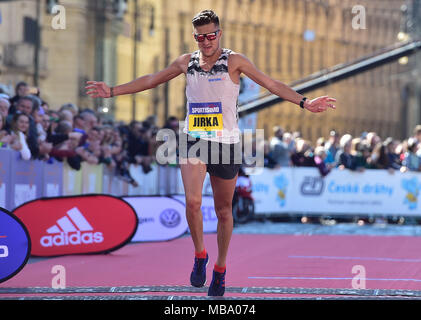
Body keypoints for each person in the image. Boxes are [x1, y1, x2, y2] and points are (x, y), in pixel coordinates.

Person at [85, 9, 336, 296]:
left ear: (220, 33)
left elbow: (271, 84)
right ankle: (200, 254)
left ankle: (220, 267)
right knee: (192, 202)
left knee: (224, 211)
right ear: (195, 37)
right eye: (200, 37)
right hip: (195, 140)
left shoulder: (235, 60)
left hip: (227, 144)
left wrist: (305, 102)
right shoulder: (185, 62)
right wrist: (113, 91)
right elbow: (152, 79)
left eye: (211, 36)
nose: (206, 42)